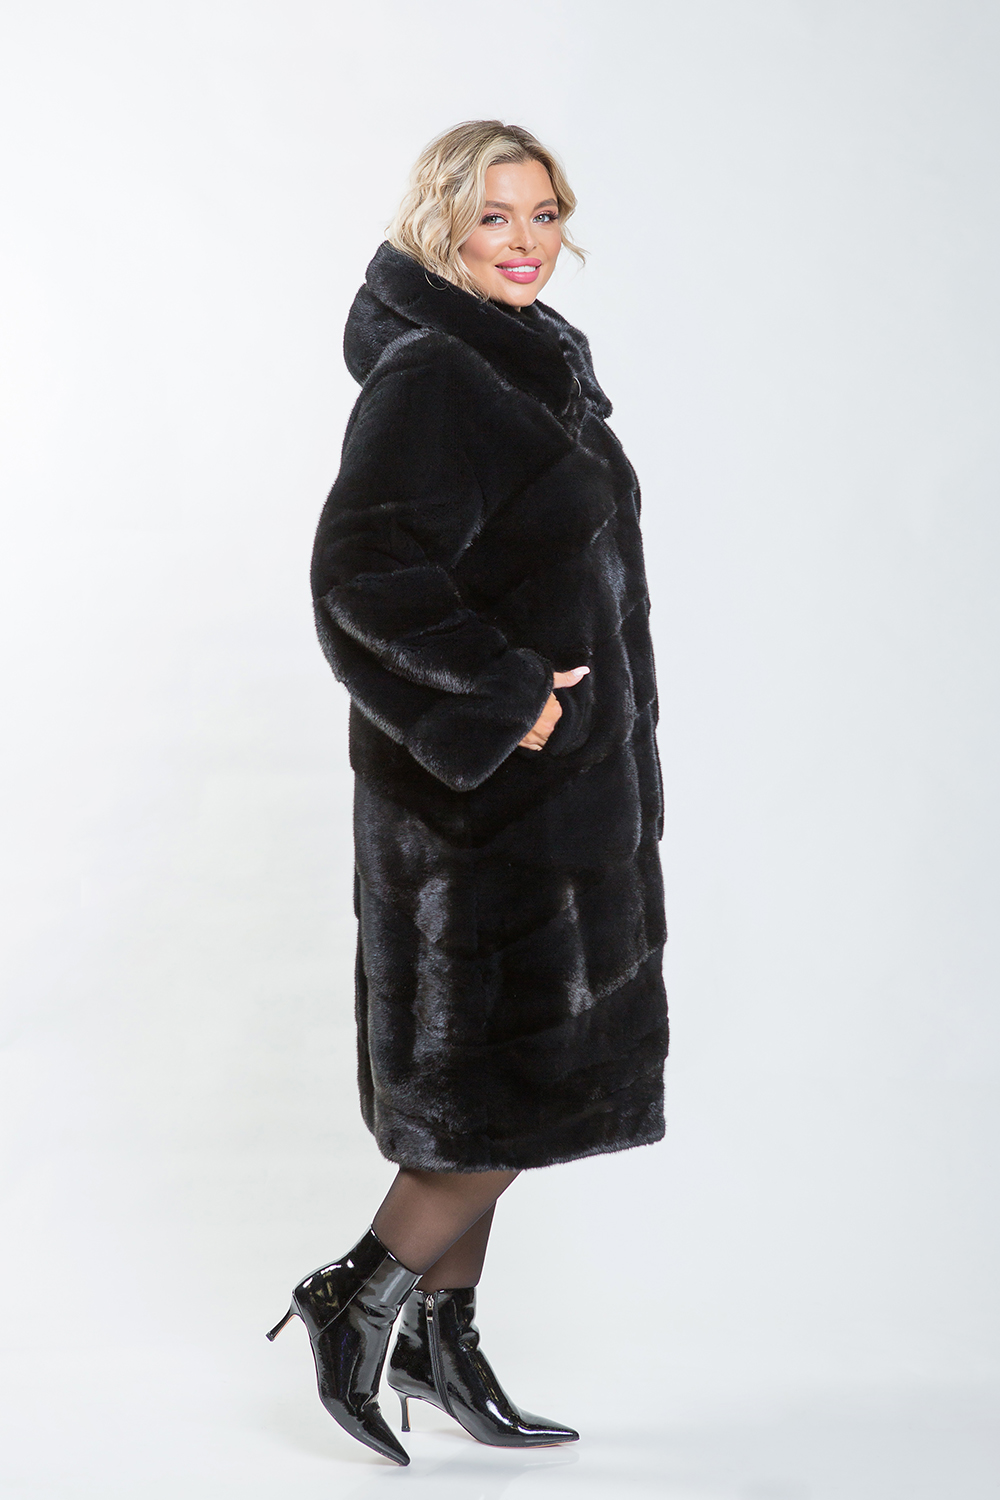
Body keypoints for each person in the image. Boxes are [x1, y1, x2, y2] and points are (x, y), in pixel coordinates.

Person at [267, 120, 668, 1467]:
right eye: (494, 216)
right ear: (443, 224)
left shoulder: (531, 363)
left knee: (506, 1091)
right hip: (481, 814)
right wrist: (513, 698)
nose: (526, 241)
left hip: (553, 808)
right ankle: (356, 1296)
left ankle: (441, 1339)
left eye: (544, 214)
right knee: (499, 1086)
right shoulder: (439, 372)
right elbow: (360, 577)